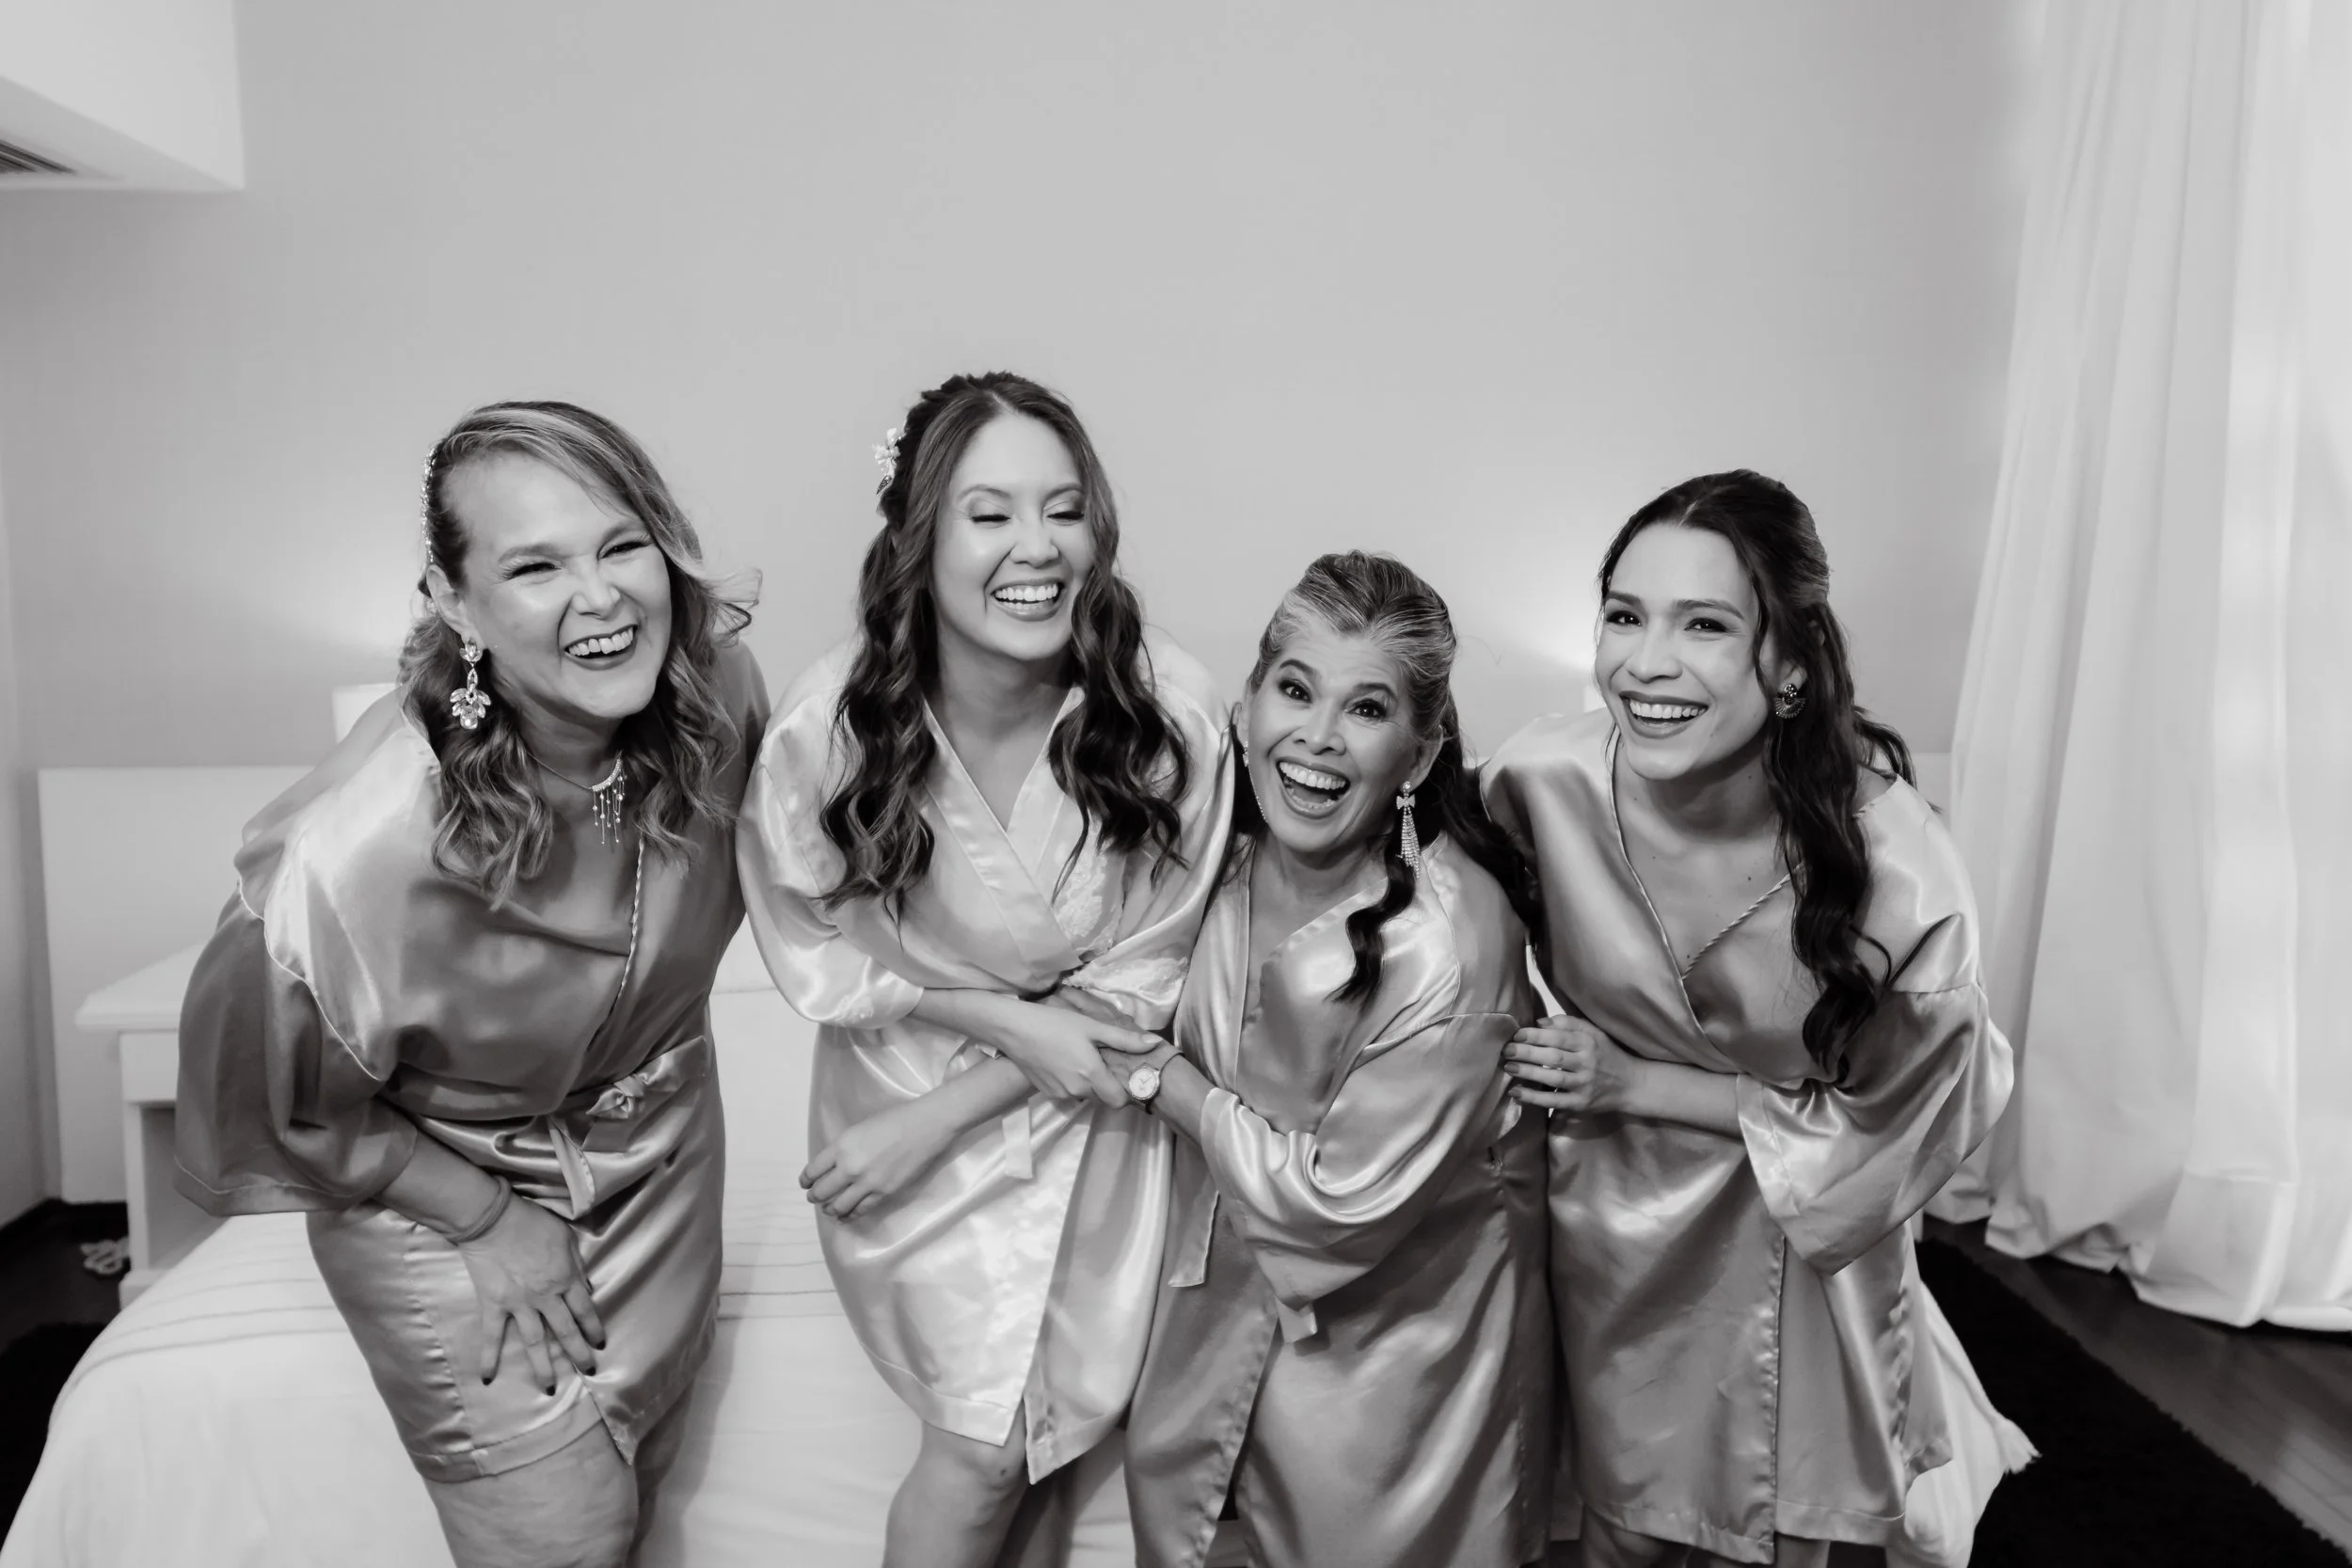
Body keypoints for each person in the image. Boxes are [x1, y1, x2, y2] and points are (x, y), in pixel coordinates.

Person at [174, 401, 767, 1568]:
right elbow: (271, 1098)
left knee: (634, 1502)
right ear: (454, 602)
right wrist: (491, 1217)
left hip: (665, 1161)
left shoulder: (717, 700)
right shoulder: (355, 854)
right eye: (534, 565)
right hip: (447, 1188)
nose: (598, 598)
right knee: (570, 1535)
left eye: (621, 543)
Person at [737, 372, 1232, 1568]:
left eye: (1063, 510)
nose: (1036, 547)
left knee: (1051, 1439)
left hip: (1100, 1100)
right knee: (984, 1446)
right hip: (900, 1095)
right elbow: (803, 934)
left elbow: (1158, 958)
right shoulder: (830, 723)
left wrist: (997, 1076)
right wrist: (986, 1043)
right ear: (919, 535)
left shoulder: (1167, 712)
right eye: (989, 511)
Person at [1492, 470, 2022, 1568]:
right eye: (1625, 616)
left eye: (1704, 625)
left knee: (1773, 1537)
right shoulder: (1542, 779)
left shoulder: (1898, 867)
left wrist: (1634, 1082)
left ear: (1785, 664)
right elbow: (1397, 868)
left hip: (1798, 1249)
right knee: (1614, 1526)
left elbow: (1911, 1110)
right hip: (1613, 1225)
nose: (1645, 662)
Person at [1118, 552, 1554, 1568]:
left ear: (1419, 750)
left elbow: (1339, 1204)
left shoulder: (1449, 944)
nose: (1315, 737)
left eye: (1365, 708)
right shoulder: (1209, 857)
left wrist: (1166, 1085)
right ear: (1245, 703)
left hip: (1397, 1361)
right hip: (1215, 1311)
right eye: (1295, 689)